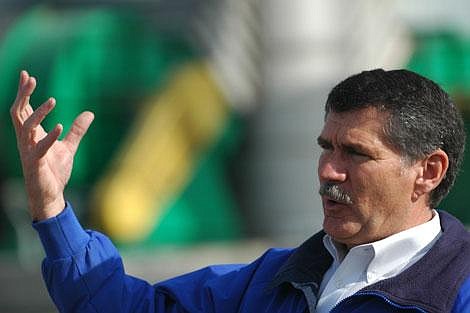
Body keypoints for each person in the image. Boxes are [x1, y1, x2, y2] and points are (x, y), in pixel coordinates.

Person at [10, 69, 470, 313]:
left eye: (356, 153)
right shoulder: (272, 280)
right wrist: (52, 210)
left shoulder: (459, 290)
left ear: (428, 171)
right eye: (325, 147)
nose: (329, 170)